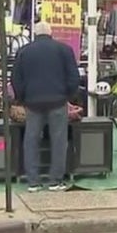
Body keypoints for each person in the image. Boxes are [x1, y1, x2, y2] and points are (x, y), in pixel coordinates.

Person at [11, 22, 80, 192]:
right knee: (58, 140)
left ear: (35, 33)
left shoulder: (24, 51)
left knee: (31, 140)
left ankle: (33, 181)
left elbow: (15, 78)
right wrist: (68, 95)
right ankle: (55, 180)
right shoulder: (64, 50)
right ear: (50, 33)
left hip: (32, 102)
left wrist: (22, 98)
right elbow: (73, 76)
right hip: (58, 101)